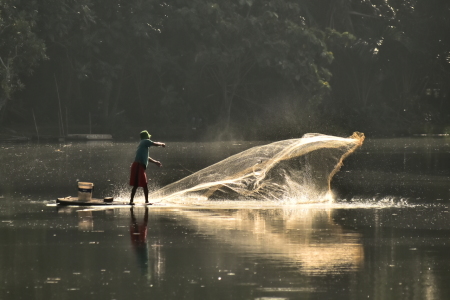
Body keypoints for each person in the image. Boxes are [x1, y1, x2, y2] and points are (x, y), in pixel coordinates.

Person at [129, 130, 165, 205]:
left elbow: (147, 158)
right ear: (146, 137)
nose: (149, 138)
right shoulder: (145, 141)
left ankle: (133, 201)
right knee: (143, 184)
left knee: (138, 185)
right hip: (138, 166)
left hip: (138, 166)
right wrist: (161, 144)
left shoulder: (142, 144)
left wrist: (155, 162)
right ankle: (145, 201)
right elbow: (154, 143)